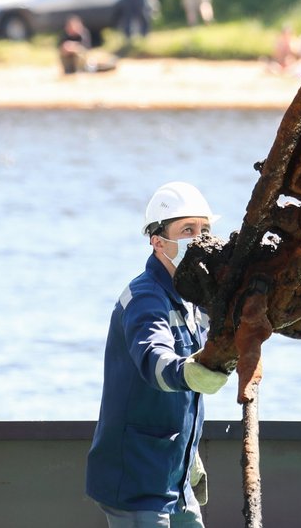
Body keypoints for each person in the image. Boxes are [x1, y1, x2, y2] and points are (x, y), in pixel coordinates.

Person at [86, 182, 229, 526]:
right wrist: (188, 373)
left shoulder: (194, 298)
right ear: (158, 241)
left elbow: (220, 340)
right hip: (137, 481)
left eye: (204, 229)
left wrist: (189, 453)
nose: (199, 239)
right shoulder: (145, 297)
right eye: (187, 230)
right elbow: (154, 359)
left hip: (176, 478)